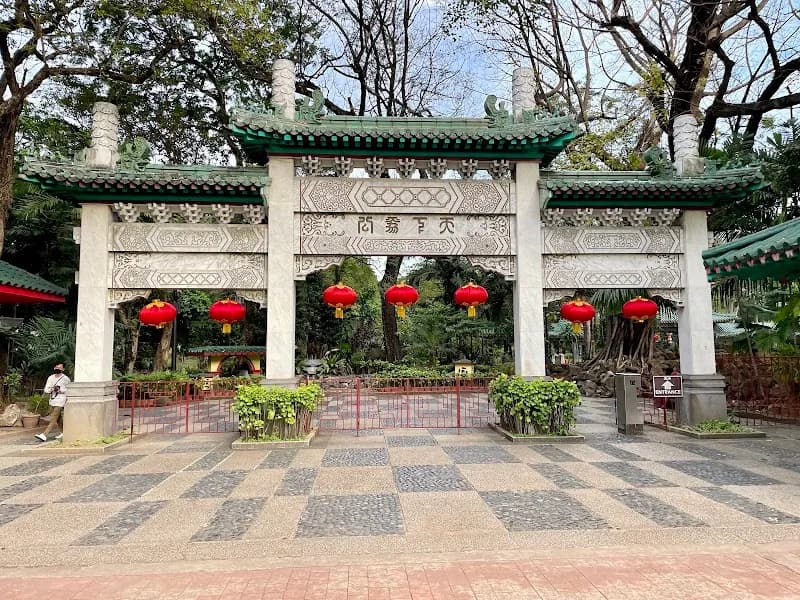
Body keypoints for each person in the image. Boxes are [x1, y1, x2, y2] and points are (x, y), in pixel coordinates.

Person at [35, 363, 70, 442]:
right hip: (53, 400)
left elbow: (68, 390)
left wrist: (60, 390)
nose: (57, 369)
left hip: (61, 400)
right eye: (56, 367)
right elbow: (46, 389)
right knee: (58, 418)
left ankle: (44, 435)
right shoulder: (50, 378)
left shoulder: (66, 379)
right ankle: (64, 432)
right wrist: (51, 389)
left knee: (53, 417)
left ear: (63, 369)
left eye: (59, 367)